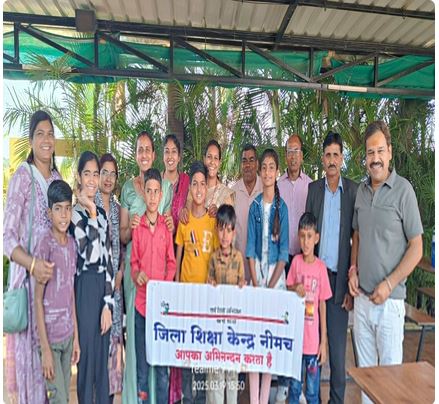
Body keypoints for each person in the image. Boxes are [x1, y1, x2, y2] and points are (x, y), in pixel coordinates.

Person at [348, 121, 423, 404]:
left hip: (390, 304)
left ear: (390, 152)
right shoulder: (361, 192)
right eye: (370, 152)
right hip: (362, 301)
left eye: (380, 151)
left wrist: (389, 284)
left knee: (390, 383)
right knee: (367, 381)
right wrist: (353, 270)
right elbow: (357, 235)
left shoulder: (404, 191)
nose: (375, 158)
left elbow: (417, 247)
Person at [4, 110, 61, 403]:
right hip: (29, 289)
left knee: (53, 374)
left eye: (50, 134)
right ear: (30, 140)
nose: (46, 139)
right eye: (40, 134)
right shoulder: (23, 178)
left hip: (54, 292)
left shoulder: (57, 179)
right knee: (34, 373)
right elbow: (7, 238)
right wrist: (33, 265)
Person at [120, 131, 174, 404]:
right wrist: (131, 228)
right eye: (139, 149)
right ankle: (135, 397)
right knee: (137, 339)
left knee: (158, 345)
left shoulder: (165, 188)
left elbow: (168, 232)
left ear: (154, 155)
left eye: (147, 150)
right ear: (136, 154)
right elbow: (122, 235)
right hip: (137, 274)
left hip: (158, 277)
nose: (143, 154)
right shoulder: (128, 188)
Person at [305, 131, 358, 404]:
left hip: (338, 285)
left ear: (342, 158)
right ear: (323, 159)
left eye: (336, 154)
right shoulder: (314, 190)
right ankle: (310, 398)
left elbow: (356, 239)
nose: (332, 160)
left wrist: (350, 285)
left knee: (337, 354)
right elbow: (307, 232)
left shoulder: (353, 192)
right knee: (311, 347)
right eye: (328, 155)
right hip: (314, 279)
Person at [70, 151, 114, 403]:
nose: (92, 179)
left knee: (101, 368)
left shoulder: (102, 214)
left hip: (102, 291)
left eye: (95, 174)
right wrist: (92, 213)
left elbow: (108, 260)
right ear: (79, 176)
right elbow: (91, 254)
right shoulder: (74, 214)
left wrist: (108, 304)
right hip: (85, 288)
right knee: (86, 365)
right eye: (86, 173)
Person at [246, 148, 289, 404]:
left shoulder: (282, 209)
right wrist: (256, 284)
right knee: (254, 345)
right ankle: (254, 400)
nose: (268, 172)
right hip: (256, 278)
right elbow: (250, 250)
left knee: (269, 345)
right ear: (260, 173)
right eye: (264, 168)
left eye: (272, 167)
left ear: (277, 172)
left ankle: (264, 399)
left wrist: (270, 287)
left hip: (275, 280)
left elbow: (283, 254)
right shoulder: (254, 207)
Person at [131, 168, 177, 404]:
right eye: (148, 191)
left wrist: (163, 288)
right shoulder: (137, 228)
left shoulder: (166, 228)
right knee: (143, 368)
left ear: (161, 195)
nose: (151, 196)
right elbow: (133, 264)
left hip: (161, 310)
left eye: (155, 191)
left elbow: (172, 263)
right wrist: (137, 274)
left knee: (161, 370)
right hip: (141, 307)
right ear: (144, 193)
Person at [175, 161, 219, 403]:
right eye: (195, 184)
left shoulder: (213, 221)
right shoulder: (184, 220)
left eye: (203, 184)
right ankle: (187, 397)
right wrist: (176, 285)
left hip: (206, 296)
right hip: (186, 294)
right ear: (189, 188)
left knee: (202, 349)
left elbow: (216, 256)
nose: (199, 188)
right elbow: (178, 255)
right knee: (187, 349)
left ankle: (201, 397)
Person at [34, 180, 80, 404]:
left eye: (67, 208)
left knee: (66, 398)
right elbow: (37, 298)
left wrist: (76, 339)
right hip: (50, 341)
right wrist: (45, 349)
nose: (63, 215)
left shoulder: (72, 245)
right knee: (59, 399)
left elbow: (70, 293)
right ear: (49, 212)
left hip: (68, 337)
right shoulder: (45, 244)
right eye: (58, 209)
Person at [276, 134, 312, 403]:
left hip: (303, 260)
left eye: (296, 151)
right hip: (282, 259)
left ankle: (299, 384)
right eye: (289, 151)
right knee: (283, 321)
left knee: (303, 324)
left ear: (302, 155)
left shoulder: (311, 186)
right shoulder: (277, 185)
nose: (292, 155)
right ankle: (283, 383)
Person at [286, 212, 332, 404]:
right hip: (296, 342)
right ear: (298, 236)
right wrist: (294, 287)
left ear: (317, 238)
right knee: (294, 390)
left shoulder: (321, 268)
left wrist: (323, 341)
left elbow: (322, 304)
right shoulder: (296, 263)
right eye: (303, 236)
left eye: (310, 236)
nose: (306, 242)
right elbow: (288, 287)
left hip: (313, 345)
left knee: (312, 392)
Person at [206, 204, 245, 404]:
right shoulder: (213, 258)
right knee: (215, 373)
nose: (224, 235)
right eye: (221, 230)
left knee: (232, 374)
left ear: (233, 232)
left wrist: (241, 285)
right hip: (216, 326)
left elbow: (241, 283)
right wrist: (210, 284)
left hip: (233, 328)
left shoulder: (238, 259)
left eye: (228, 230)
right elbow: (209, 283)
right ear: (216, 230)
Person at [96, 153, 124, 401]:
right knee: (97, 340)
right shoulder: (87, 205)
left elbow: (123, 247)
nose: (108, 178)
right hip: (95, 286)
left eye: (112, 173)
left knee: (114, 342)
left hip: (115, 286)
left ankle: (112, 395)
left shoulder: (117, 208)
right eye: (103, 172)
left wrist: (121, 273)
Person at [180, 139, 235, 223]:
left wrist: (220, 215)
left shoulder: (226, 195)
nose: (212, 162)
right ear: (204, 159)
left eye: (216, 158)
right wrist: (184, 212)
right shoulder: (194, 188)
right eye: (209, 157)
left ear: (219, 162)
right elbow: (187, 212)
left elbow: (229, 226)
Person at [231, 144, 262, 283]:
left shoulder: (265, 189)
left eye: (251, 160)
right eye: (244, 161)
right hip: (238, 269)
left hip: (260, 270)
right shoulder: (233, 192)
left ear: (257, 164)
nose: (248, 165)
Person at [162, 134, 190, 232]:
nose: (170, 156)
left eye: (174, 151)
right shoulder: (156, 182)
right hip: (159, 238)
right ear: (163, 156)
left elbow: (190, 206)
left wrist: (187, 208)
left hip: (182, 238)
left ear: (179, 157)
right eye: (167, 152)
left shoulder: (186, 181)